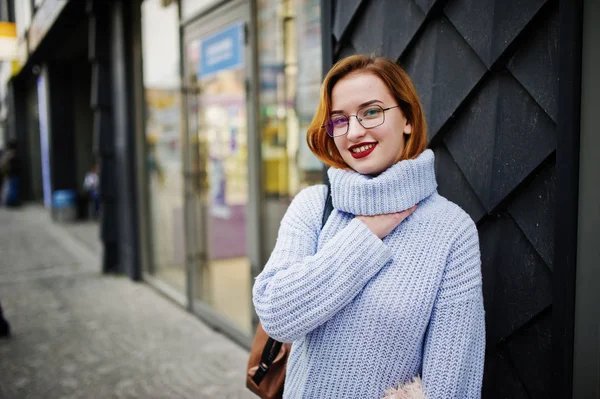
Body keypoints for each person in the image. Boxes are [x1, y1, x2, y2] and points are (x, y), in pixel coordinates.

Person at [252, 55, 485, 398]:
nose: (355, 131)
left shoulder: (451, 230)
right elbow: (277, 314)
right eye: (339, 120)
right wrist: (364, 235)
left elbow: (454, 382)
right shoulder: (315, 207)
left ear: (407, 118)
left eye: (371, 111)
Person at [0, 141, 21, 207]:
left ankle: (10, 202)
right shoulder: (10, 155)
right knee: (12, 189)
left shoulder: (7, 154)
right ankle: (11, 202)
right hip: (11, 174)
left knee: (10, 188)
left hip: (10, 174)